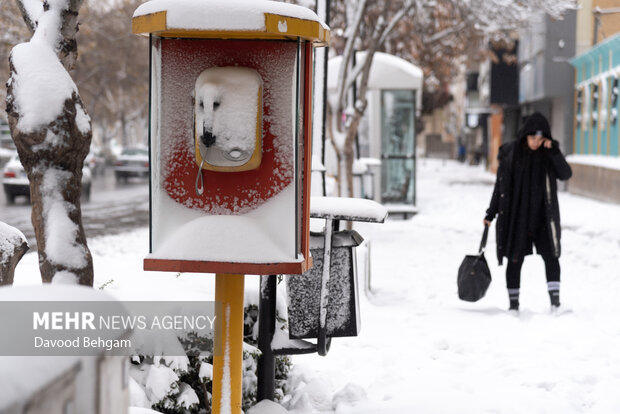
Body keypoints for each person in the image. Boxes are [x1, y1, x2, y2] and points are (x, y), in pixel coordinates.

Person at [483, 112, 572, 314]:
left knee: (551, 257)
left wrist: (554, 152)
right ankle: (513, 305)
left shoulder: (549, 155)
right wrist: (490, 214)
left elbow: (566, 174)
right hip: (518, 217)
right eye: (533, 138)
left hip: (543, 218)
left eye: (541, 139)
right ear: (525, 136)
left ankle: (555, 302)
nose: (536, 142)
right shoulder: (511, 155)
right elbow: (500, 189)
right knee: (514, 259)